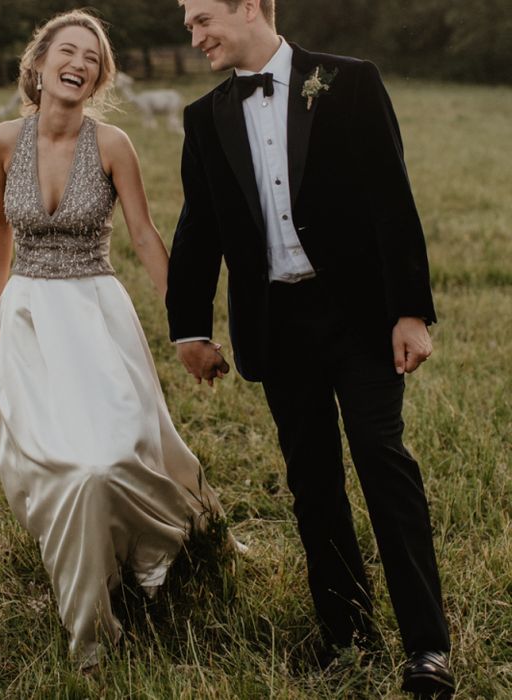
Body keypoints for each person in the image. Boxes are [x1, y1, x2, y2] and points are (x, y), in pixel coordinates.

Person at [166, 0, 455, 696]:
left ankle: (427, 647)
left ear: (248, 7)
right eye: (189, 25)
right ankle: (347, 635)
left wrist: (410, 312)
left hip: (359, 317)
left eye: (204, 19)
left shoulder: (349, 81)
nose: (195, 35)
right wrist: (190, 329)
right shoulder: (205, 117)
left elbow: (393, 199)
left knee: (383, 462)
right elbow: (199, 228)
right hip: (276, 324)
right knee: (312, 483)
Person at [0, 9, 227, 668]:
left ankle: (155, 550)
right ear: (39, 64)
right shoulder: (4, 139)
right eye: (69, 50)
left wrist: (187, 326)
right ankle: (91, 629)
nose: (81, 62)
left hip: (95, 313)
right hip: (29, 314)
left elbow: (144, 235)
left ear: (100, 75)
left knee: (117, 453)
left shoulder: (113, 145)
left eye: (93, 57)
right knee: (66, 466)